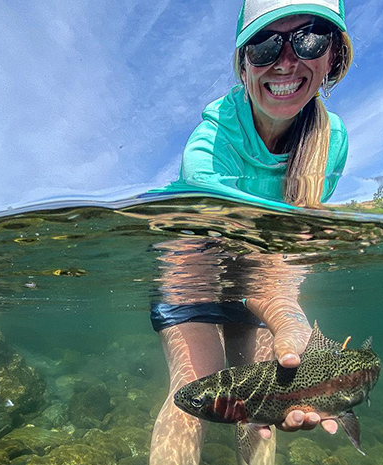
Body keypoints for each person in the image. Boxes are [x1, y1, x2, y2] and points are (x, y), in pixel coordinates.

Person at [148, 0, 354, 464]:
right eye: (264, 44)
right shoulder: (209, 143)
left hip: (264, 280)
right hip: (195, 269)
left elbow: (286, 246)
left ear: (334, 55)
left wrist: (288, 318)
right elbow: (237, 248)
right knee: (191, 396)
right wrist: (286, 317)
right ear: (243, 63)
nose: (286, 60)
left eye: (310, 39)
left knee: (261, 411)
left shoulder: (333, 141)